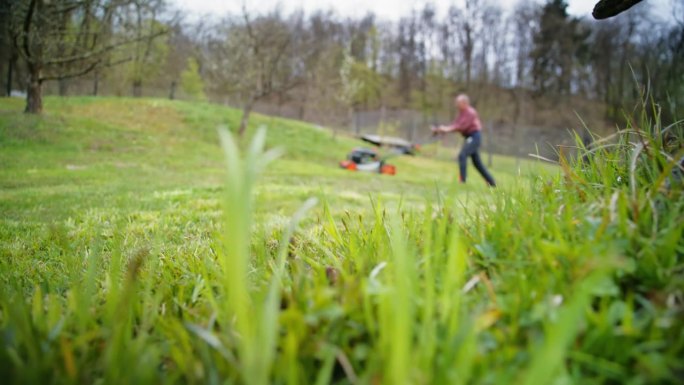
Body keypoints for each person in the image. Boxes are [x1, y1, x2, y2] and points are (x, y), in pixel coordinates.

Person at [432, 94, 496, 187]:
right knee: (477, 163)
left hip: (474, 137)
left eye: (458, 103)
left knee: (462, 155)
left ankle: (462, 181)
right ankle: (492, 182)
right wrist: (441, 129)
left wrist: (446, 129)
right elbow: (455, 124)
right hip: (469, 137)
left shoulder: (470, 112)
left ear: (465, 103)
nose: (456, 105)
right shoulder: (462, 113)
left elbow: (461, 127)